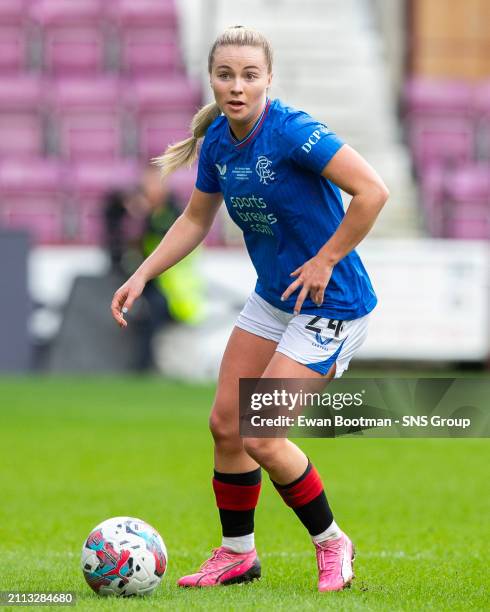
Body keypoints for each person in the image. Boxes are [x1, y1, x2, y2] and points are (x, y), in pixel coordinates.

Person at [111, 26, 389, 592]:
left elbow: (373, 192)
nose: (236, 86)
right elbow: (193, 219)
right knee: (225, 426)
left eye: (249, 75)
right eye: (225, 75)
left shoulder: (291, 132)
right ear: (210, 79)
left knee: (261, 434)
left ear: (268, 79)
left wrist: (327, 259)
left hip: (330, 300)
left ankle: (332, 542)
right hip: (275, 296)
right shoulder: (216, 140)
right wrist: (142, 274)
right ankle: (238, 553)